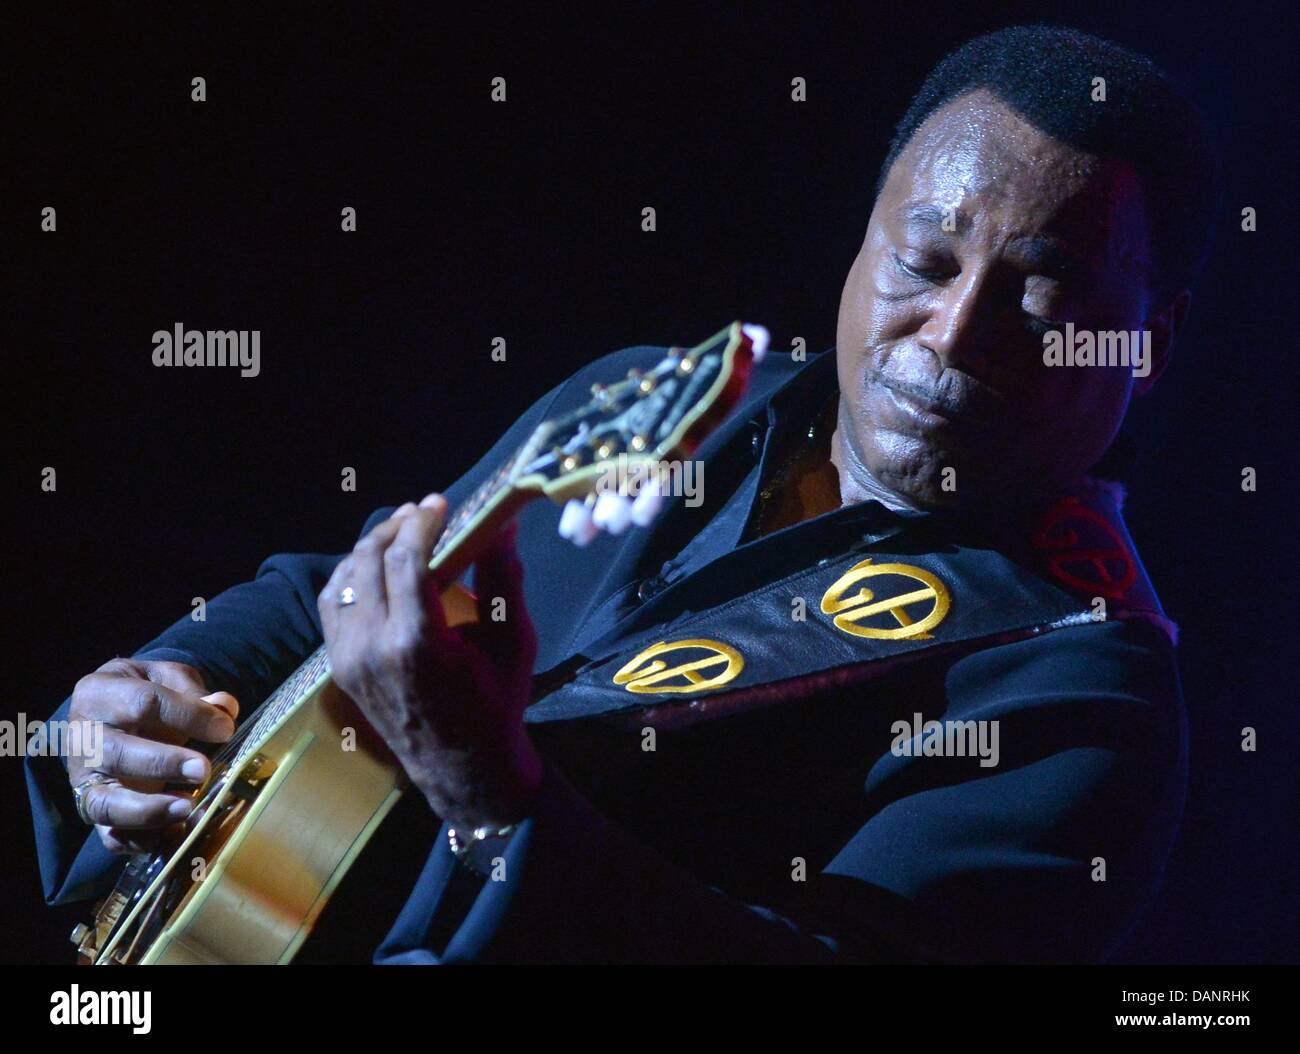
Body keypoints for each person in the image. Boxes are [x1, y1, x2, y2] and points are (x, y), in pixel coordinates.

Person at [27, 24, 1219, 963]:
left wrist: (486, 792)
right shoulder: (654, 400)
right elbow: (339, 594)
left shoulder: (1083, 693)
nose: (952, 334)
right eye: (922, 261)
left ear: (1147, 347)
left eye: (1043, 301)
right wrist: (132, 705)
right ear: (861, 239)